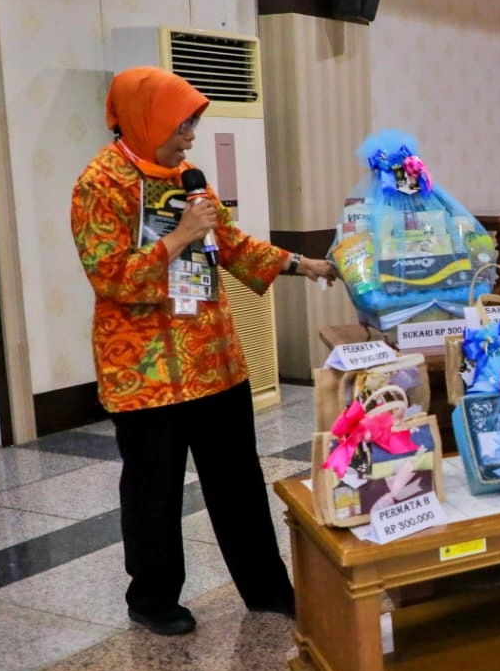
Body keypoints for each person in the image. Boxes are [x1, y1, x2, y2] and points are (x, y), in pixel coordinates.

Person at [72, 67, 337, 636]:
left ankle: (267, 589)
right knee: (154, 490)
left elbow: (230, 242)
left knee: (238, 481)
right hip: (144, 371)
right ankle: (153, 599)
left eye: (192, 125)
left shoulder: (187, 178)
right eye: (181, 125)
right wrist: (179, 237)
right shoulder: (101, 183)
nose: (190, 137)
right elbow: (110, 277)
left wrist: (301, 263)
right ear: (146, 120)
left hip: (213, 360)